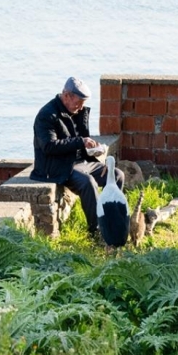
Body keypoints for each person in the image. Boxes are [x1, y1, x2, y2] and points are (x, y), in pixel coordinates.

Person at [31, 76, 125, 238]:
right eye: (79, 102)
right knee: (88, 183)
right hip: (58, 165)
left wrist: (93, 149)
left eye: (83, 103)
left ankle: (112, 219)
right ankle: (97, 231)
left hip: (82, 162)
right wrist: (80, 141)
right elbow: (49, 146)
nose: (81, 108)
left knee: (117, 175)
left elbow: (80, 143)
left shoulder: (76, 111)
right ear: (66, 95)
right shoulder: (47, 115)